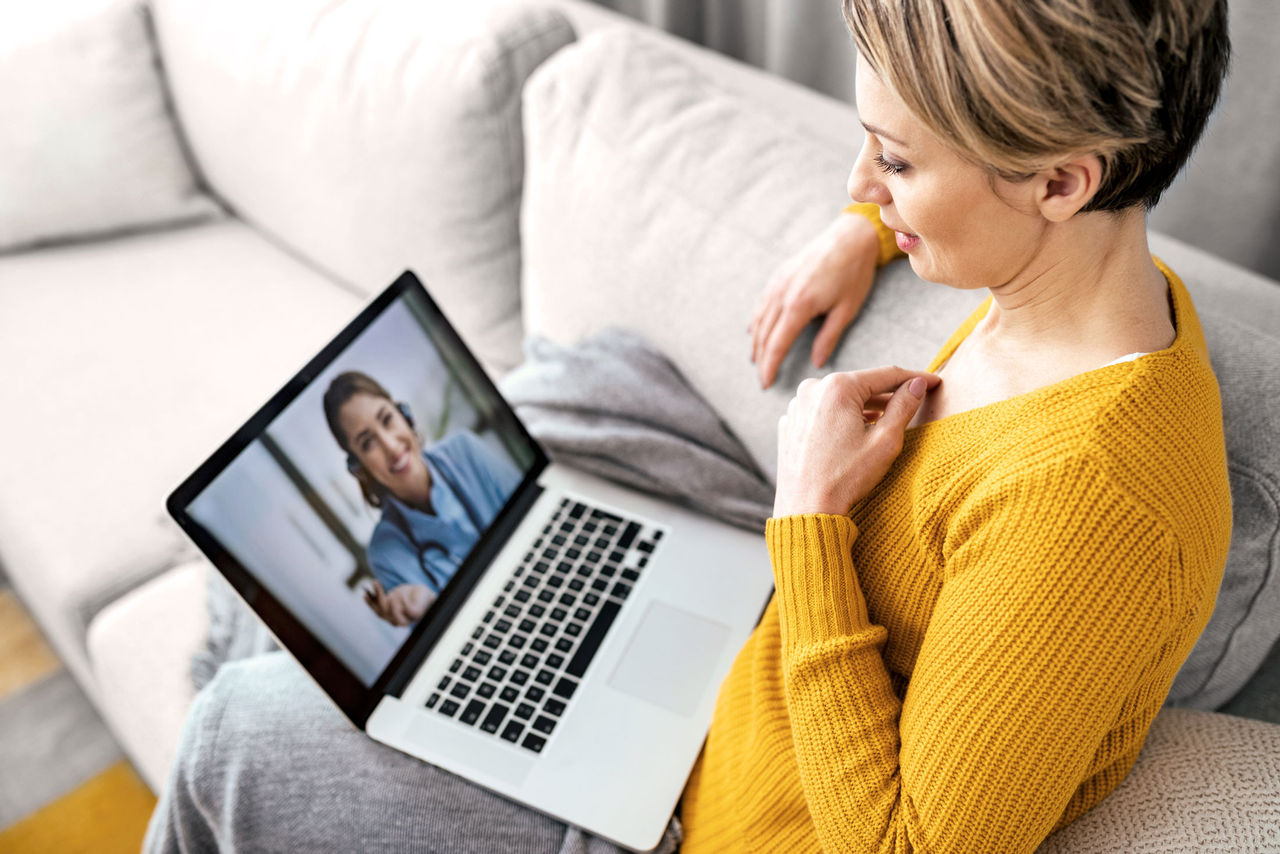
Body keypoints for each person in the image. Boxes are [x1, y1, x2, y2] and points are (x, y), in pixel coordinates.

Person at [146, 1, 1232, 851]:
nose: (862, 181)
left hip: (687, 825)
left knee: (225, 738)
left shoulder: (1094, 503)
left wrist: (806, 521)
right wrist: (867, 227)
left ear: (1059, 181)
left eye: (895, 161)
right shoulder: (1084, 288)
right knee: (284, 621)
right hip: (713, 701)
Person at [323, 370, 523, 627]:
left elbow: (533, 516)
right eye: (368, 443)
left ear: (404, 415)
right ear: (359, 467)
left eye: (387, 419)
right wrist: (430, 606)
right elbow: (447, 636)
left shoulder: (465, 451)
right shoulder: (386, 554)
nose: (391, 447)